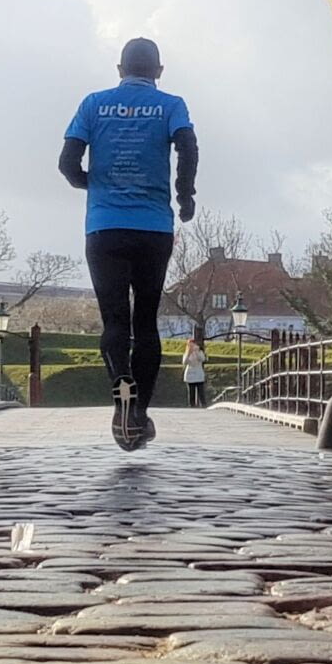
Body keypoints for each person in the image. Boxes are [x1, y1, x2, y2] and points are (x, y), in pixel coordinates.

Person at [59, 37, 198, 450]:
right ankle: (139, 412)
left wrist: (95, 186)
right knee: (146, 321)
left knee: (115, 320)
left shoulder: (92, 104)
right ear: (158, 71)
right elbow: (188, 147)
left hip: (104, 227)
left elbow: (67, 164)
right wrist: (183, 194)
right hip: (153, 228)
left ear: (119, 70)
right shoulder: (172, 105)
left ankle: (120, 382)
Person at [182, 334, 209, 408]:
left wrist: (196, 351)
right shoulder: (187, 353)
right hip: (190, 374)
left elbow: (202, 359)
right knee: (191, 392)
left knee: (201, 391)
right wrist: (189, 352)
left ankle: (203, 404)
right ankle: (192, 405)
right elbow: (184, 362)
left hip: (198, 374)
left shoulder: (200, 352)